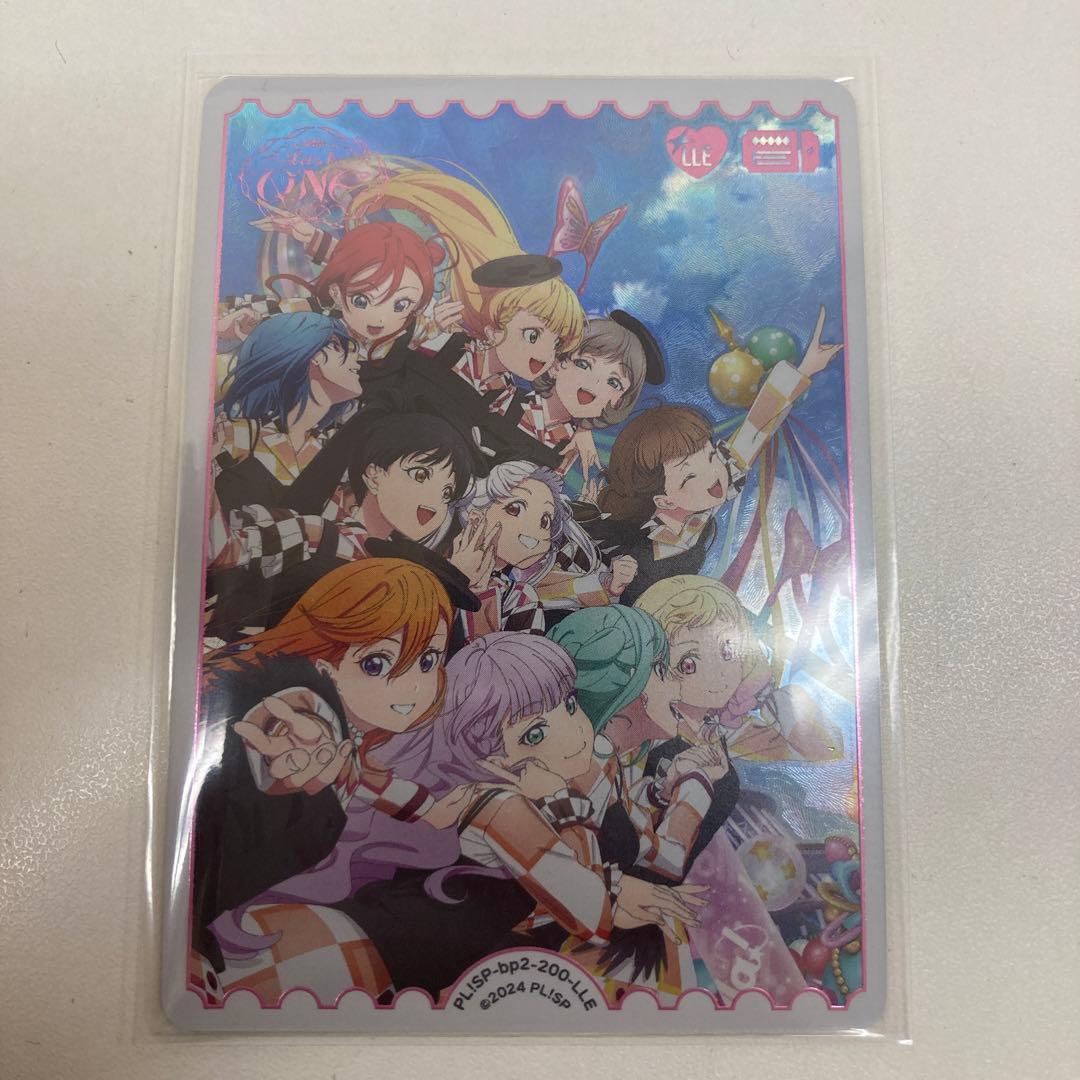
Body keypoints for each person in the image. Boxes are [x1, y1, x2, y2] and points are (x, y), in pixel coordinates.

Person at [192, 558, 467, 973]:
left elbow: (364, 778)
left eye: (427, 661)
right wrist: (290, 760)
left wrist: (430, 810)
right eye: (376, 663)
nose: (413, 685)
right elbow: (288, 722)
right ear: (327, 665)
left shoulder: (348, 736)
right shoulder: (304, 706)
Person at [580, 306, 843, 603]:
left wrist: (805, 369)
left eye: (710, 455)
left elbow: (755, 428)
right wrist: (612, 588)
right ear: (663, 501)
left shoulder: (697, 506)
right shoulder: (632, 548)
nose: (713, 474)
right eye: (689, 476)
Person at [205, 409, 477, 641]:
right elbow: (224, 553)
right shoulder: (319, 535)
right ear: (374, 475)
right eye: (420, 475)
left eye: (446, 493)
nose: (434, 503)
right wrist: (206, 473)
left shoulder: (407, 564)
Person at [634, 575, 844, 763]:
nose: (718, 673)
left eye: (727, 650)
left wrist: (770, 695)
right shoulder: (647, 735)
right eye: (688, 665)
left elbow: (827, 749)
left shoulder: (727, 729)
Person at [446, 460, 638, 638]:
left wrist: (610, 585)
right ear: (476, 517)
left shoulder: (521, 596)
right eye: (515, 509)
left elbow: (563, 589)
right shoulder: (440, 566)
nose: (534, 530)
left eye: (544, 521)